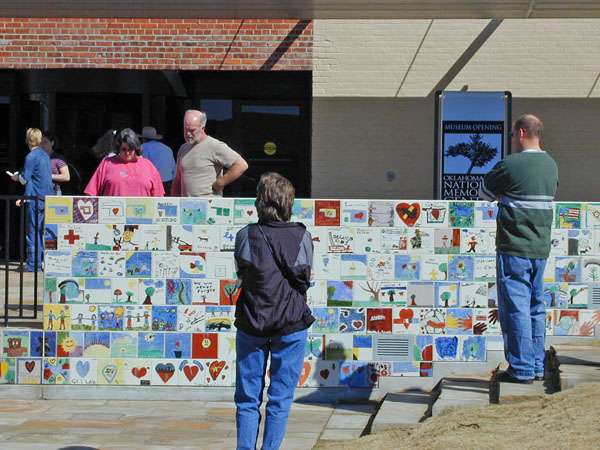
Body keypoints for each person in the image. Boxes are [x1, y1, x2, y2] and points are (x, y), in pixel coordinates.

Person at [234, 173, 314, 450]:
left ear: (260, 202)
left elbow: (243, 271)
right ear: (288, 202)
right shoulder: (302, 235)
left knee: (247, 399)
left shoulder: (245, 234)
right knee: (280, 398)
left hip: (251, 321)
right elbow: (304, 278)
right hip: (290, 323)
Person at [479, 114, 559, 384]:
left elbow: (484, 191)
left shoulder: (511, 165)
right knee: (536, 306)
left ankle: (521, 368)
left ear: (521, 133)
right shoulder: (551, 166)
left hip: (514, 247)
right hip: (540, 249)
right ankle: (536, 365)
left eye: (513, 134)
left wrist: (505, 197)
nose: (512, 139)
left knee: (516, 308)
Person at [171, 110, 248, 197]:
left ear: (203, 127)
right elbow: (178, 179)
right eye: (186, 129)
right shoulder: (183, 148)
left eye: (192, 130)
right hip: (186, 207)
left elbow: (241, 165)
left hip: (209, 206)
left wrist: (221, 182)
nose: (188, 133)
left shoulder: (215, 146)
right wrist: (174, 202)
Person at [10, 128, 54, 272]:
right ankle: (41, 261)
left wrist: (17, 177)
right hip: (46, 197)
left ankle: (33, 263)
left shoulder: (31, 157)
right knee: (42, 231)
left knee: (32, 232)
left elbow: (24, 180)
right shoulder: (45, 156)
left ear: (28, 140)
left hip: (34, 199)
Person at [84, 128, 165, 197]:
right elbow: (91, 194)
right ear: (118, 149)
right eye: (123, 149)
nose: (127, 152)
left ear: (136, 148)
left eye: (131, 149)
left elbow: (159, 197)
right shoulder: (107, 163)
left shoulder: (148, 165)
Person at [140, 126, 176, 195]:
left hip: (154, 183)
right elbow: (174, 167)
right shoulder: (167, 148)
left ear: (143, 138)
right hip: (168, 182)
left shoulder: (143, 147)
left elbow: (142, 167)